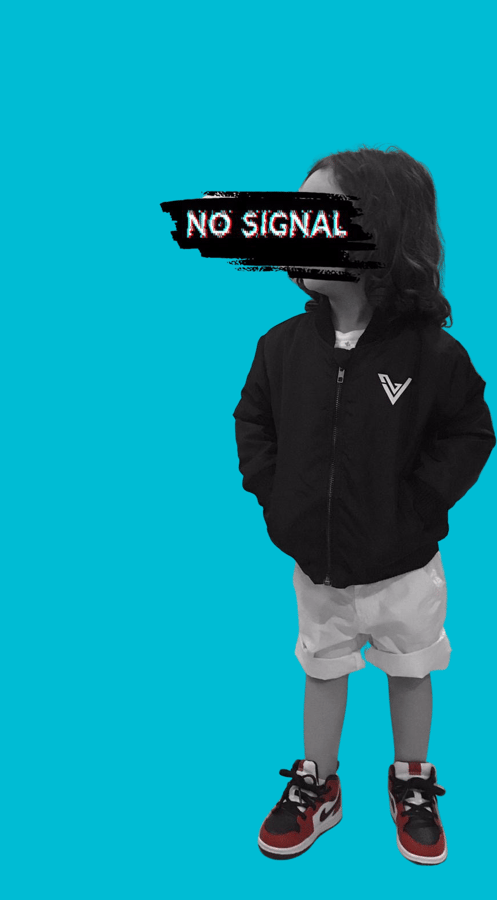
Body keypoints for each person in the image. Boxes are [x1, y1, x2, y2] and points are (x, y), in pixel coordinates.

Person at [232, 147, 495, 865]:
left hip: (403, 565)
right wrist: (279, 499)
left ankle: (411, 781)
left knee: (410, 667)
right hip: (317, 563)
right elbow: (253, 423)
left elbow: (469, 432)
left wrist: (418, 508)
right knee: (322, 667)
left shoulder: (432, 355)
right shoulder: (280, 348)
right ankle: (317, 782)